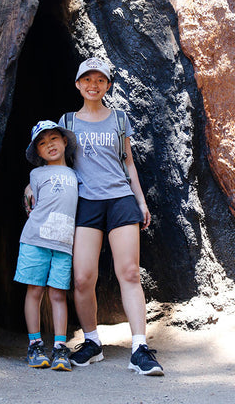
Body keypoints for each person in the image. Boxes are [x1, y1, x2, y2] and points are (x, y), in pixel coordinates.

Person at [58, 56, 163, 376]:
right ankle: (92, 342)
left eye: (100, 80)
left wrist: (141, 203)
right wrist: (32, 188)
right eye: (87, 80)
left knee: (129, 272)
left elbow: (129, 162)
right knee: (82, 278)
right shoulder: (67, 122)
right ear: (78, 84)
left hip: (120, 199)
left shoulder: (119, 119)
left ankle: (140, 348)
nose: (93, 85)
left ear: (107, 85)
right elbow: (56, 163)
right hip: (85, 202)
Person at [14, 120, 78, 370]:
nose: (49, 145)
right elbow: (32, 205)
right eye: (42, 143)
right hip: (35, 239)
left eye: (53, 139)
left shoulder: (76, 174)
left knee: (58, 294)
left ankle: (60, 347)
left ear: (64, 142)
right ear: (38, 153)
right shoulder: (37, 174)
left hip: (64, 244)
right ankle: (35, 345)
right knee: (35, 291)